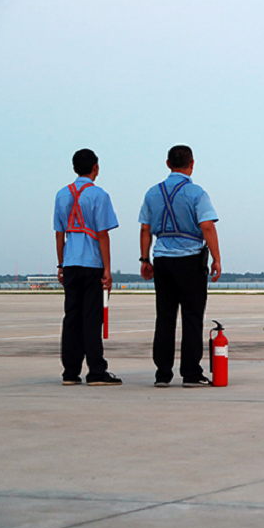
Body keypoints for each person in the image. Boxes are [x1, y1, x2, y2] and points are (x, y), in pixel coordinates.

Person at [139, 145, 221, 387]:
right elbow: (207, 226)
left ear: (168, 164)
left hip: (163, 259)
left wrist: (145, 260)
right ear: (192, 163)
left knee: (164, 317)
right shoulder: (197, 193)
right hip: (190, 261)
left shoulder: (153, 193)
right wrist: (216, 258)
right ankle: (191, 373)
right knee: (192, 317)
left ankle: (163, 373)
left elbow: (145, 228)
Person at [53, 149, 122, 385]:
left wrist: (61, 264)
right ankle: (96, 371)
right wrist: (107, 268)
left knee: (72, 317)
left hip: (71, 263)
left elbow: (59, 234)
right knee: (92, 319)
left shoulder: (62, 195)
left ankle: (70, 372)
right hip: (92, 263)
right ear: (95, 168)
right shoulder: (98, 195)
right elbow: (102, 234)